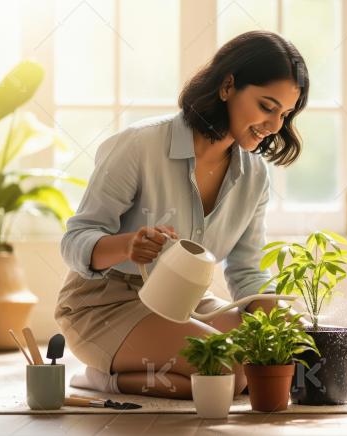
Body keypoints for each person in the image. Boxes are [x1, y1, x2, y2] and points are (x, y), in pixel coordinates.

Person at [55, 31, 310, 399]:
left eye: (284, 114)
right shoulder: (140, 145)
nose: (274, 126)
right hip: (104, 305)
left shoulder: (254, 175)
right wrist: (129, 246)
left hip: (181, 301)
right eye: (267, 107)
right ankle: (102, 377)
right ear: (227, 86)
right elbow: (74, 242)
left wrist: (301, 328)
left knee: (265, 357)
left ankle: (120, 375)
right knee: (228, 367)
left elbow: (247, 272)